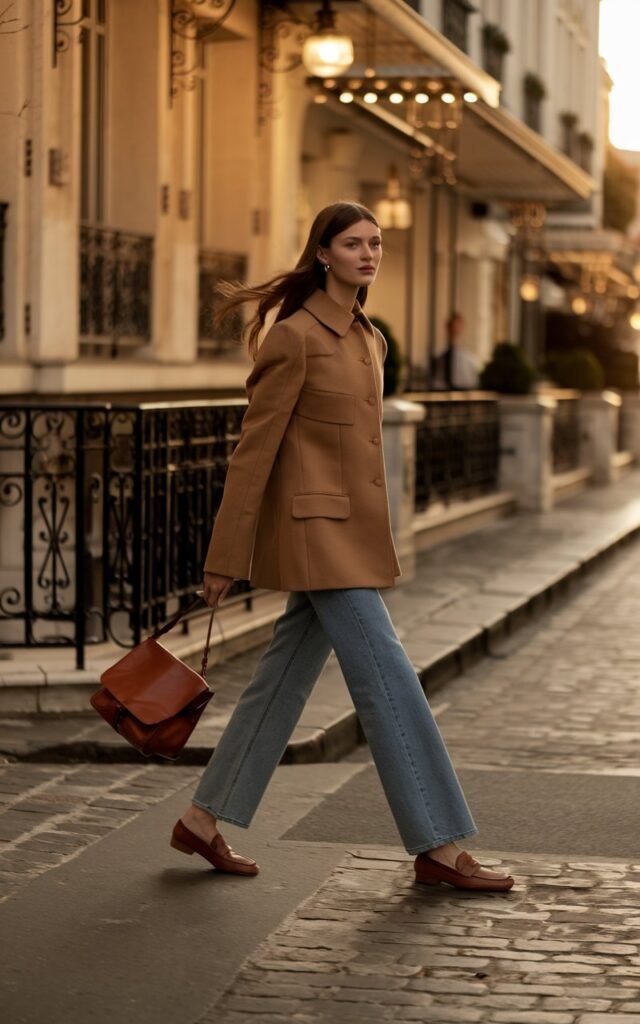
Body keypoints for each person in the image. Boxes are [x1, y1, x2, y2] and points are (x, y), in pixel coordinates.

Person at [170, 202, 514, 892]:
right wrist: (223, 558)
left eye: (376, 243)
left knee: (284, 677)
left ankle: (203, 821)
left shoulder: (370, 339)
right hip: (314, 534)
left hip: (351, 533)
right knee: (387, 677)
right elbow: (253, 452)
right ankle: (439, 843)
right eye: (353, 243)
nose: (368, 253)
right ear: (322, 253)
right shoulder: (294, 338)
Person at [431, 312, 480, 390]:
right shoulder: (439, 357)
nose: (455, 330)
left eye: (457, 327)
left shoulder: (470, 359)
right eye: (452, 327)